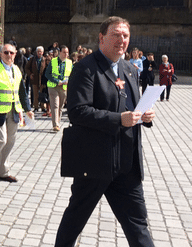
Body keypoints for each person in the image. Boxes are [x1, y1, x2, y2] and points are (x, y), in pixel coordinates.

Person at [55, 16, 156, 247]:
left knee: (138, 225)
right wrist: (119, 119)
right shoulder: (86, 68)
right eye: (116, 35)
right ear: (101, 38)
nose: (122, 40)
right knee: (74, 221)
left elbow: (134, 108)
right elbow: (78, 112)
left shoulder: (130, 69)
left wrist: (145, 117)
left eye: (126, 35)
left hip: (126, 165)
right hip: (96, 163)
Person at [0, 43, 32, 182]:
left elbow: (22, 90)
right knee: (0, 140)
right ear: (0, 54)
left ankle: (3, 172)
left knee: (10, 141)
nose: (9, 55)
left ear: (15, 53)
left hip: (14, 110)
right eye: (6, 52)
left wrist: (28, 109)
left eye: (11, 53)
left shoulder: (17, 69)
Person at [44, 45, 72, 132]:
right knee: (55, 105)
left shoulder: (69, 62)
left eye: (67, 52)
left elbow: (72, 74)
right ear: (60, 52)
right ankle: (55, 125)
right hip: (53, 86)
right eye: (64, 52)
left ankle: (58, 122)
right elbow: (47, 74)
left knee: (60, 106)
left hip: (64, 87)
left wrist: (69, 81)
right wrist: (57, 81)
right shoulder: (53, 61)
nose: (66, 54)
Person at [25, 46, 47, 112]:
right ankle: (36, 107)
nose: (39, 53)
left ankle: (43, 107)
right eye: (38, 51)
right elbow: (27, 68)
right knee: (35, 94)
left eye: (40, 51)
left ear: (42, 52)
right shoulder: (32, 59)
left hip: (42, 79)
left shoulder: (45, 59)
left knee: (42, 93)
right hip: (34, 79)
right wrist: (30, 74)